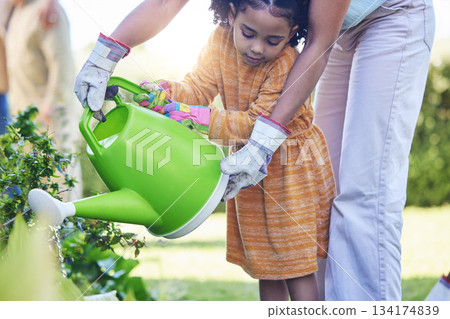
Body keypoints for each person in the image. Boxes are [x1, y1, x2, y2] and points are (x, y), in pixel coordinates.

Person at [74, 0, 435, 301]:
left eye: (272, 39)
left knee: (313, 249)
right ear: (231, 14)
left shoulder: (283, 62)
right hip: (256, 172)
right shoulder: (220, 42)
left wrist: (195, 116)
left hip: (292, 171)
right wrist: (157, 90)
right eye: (248, 33)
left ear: (290, 35)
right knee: (266, 266)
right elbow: (198, 85)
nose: (257, 48)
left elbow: (258, 121)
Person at [4, 0, 83, 199]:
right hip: (24, 123)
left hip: (50, 123)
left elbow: (62, 70)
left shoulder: (46, 10)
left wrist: (49, 114)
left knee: (60, 189)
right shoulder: (14, 13)